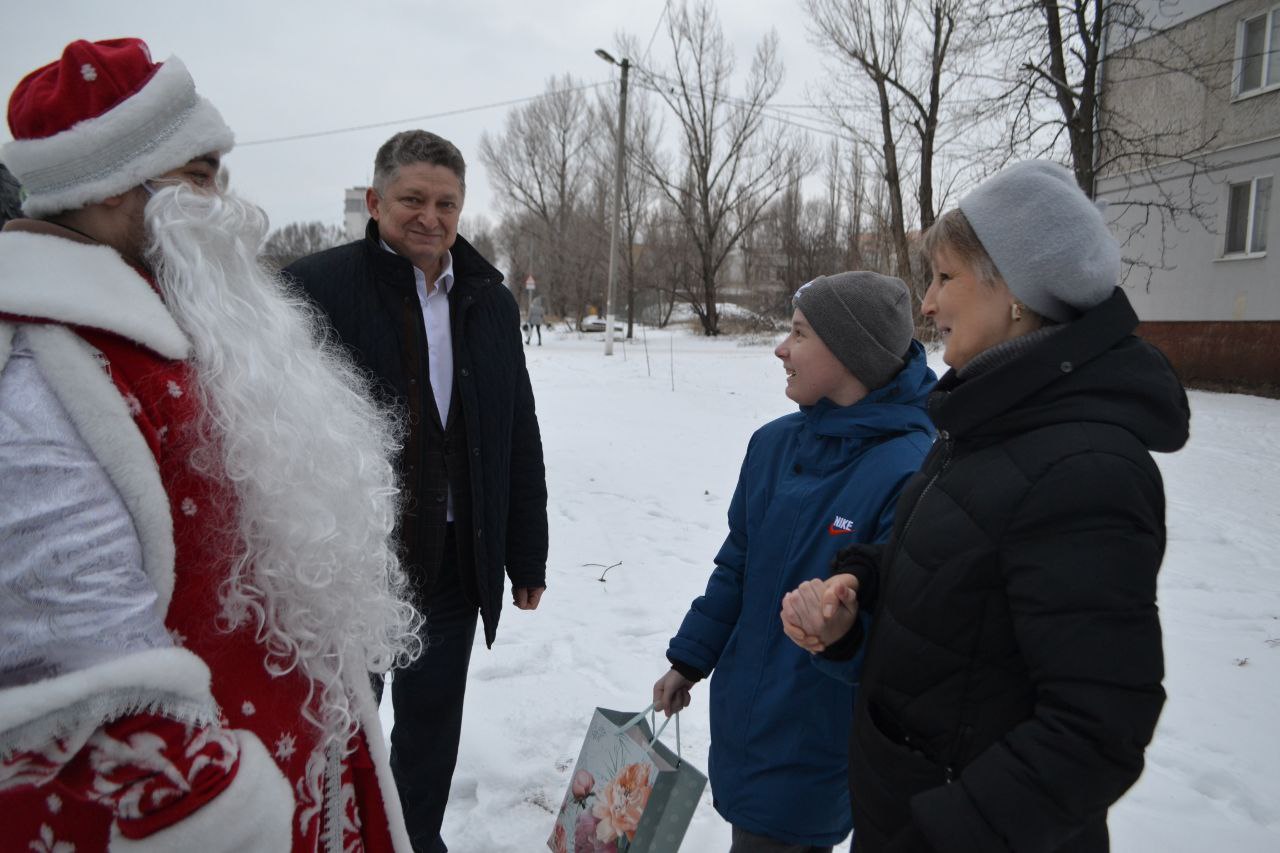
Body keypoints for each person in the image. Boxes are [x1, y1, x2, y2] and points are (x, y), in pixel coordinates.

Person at [0, 38, 422, 851]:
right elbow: (88, 680)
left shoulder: (169, 325)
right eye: (199, 177)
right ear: (111, 184)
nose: (224, 203)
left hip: (297, 777)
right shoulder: (45, 371)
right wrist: (228, 814)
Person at [781, 161, 1191, 853]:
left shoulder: (1085, 468)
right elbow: (959, 565)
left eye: (945, 277)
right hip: (901, 809)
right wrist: (860, 587)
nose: (927, 304)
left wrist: (942, 834)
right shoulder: (992, 419)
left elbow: (1098, 728)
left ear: (1017, 293)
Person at [285, 130, 549, 853]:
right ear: (375, 202)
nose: (430, 217)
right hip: (351, 563)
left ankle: (414, 839)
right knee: (342, 724)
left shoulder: (490, 301)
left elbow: (515, 429)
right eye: (412, 199)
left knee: (431, 729)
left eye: (446, 203)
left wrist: (526, 554)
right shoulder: (313, 288)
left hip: (454, 560)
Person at [653, 272, 937, 853]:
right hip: (745, 717)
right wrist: (690, 659)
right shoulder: (772, 445)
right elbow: (737, 564)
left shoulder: (911, 470)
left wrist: (839, 629)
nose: (781, 349)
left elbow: (897, 640)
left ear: (850, 353)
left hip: (817, 739)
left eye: (800, 333)